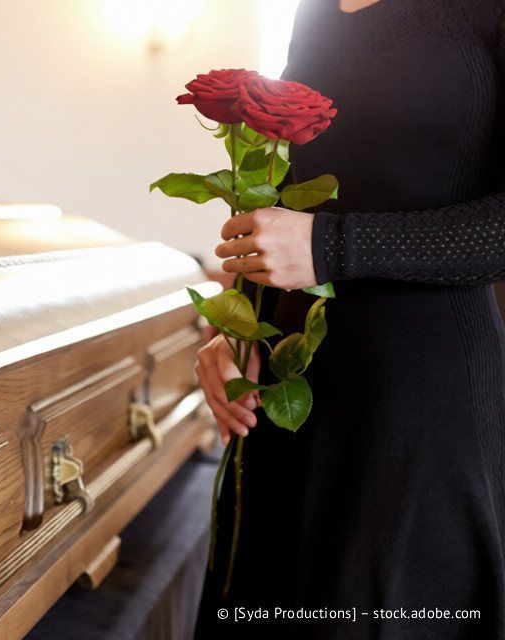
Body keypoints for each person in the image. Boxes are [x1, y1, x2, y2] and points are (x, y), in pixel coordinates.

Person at [193, 0, 505, 638]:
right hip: (286, 398)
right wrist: (235, 329)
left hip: (421, 407)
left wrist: (335, 246)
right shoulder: (315, 10)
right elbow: (292, 196)